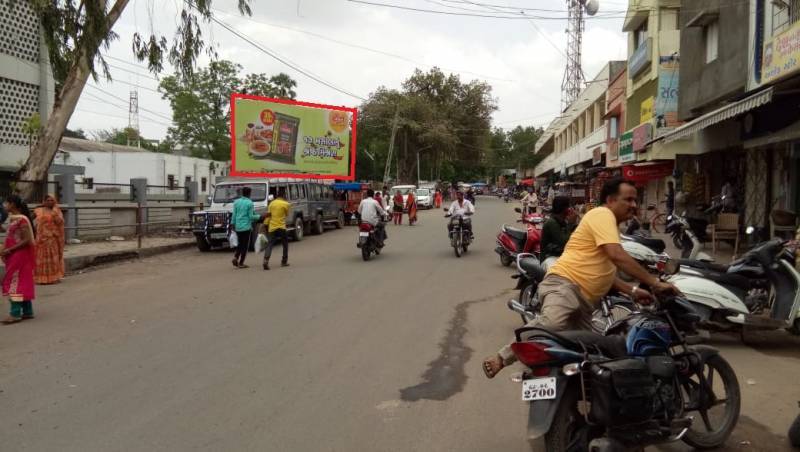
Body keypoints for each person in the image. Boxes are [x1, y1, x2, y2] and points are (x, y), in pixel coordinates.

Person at [483, 178, 680, 378]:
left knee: (591, 355)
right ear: (610, 200)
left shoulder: (609, 228)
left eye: (635, 200)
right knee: (552, 325)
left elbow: (605, 274)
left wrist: (634, 291)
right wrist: (655, 282)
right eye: (628, 200)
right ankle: (502, 357)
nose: (634, 205)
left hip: (585, 304)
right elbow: (616, 255)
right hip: (565, 285)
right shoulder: (602, 214)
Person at [1, 195, 36, 324]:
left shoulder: (22, 220)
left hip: (19, 255)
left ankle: (15, 313)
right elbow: (12, 235)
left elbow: (26, 240)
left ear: (13, 205)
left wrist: (10, 249)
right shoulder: (14, 219)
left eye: (7, 203)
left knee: (14, 282)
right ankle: (27, 311)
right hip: (15, 255)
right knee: (22, 281)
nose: (5, 205)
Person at [539, 196, 577, 271]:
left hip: (560, 255)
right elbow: (563, 242)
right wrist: (571, 224)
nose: (571, 209)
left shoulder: (562, 221)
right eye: (569, 206)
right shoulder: (552, 223)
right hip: (549, 257)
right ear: (564, 209)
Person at [34, 194, 65, 284]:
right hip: (41, 239)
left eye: (52, 200)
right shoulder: (38, 210)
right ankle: (41, 278)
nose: (50, 202)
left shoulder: (57, 211)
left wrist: (55, 214)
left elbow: (60, 223)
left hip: (52, 239)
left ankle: (53, 278)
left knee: (52, 259)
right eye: (48, 200)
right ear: (44, 201)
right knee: (40, 258)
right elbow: (29, 220)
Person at [230, 187, 261, 269]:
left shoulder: (236, 202)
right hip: (246, 227)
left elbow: (234, 215)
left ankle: (236, 257)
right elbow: (251, 217)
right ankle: (241, 263)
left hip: (238, 227)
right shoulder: (249, 203)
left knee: (240, 244)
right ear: (249, 193)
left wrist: (232, 225)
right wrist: (260, 216)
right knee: (245, 246)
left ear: (242, 193)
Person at [263, 187, 291, 270]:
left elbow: (269, 215)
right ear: (284, 195)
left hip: (272, 227)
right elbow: (286, 215)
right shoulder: (286, 204)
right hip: (281, 227)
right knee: (285, 244)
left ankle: (265, 260)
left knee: (270, 244)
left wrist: (265, 224)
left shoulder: (271, 203)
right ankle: (284, 261)